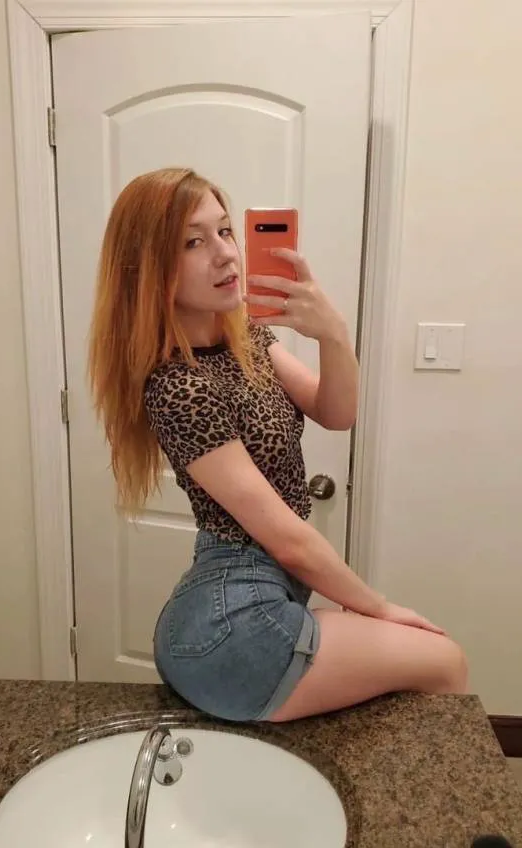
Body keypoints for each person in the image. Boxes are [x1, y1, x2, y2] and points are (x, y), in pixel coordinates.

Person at [88, 167, 468, 723]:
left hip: (255, 596)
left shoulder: (247, 338)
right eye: (193, 242)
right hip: (232, 617)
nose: (225, 254)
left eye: (225, 231)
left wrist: (333, 334)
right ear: (148, 268)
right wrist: (379, 607)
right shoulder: (178, 386)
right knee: (445, 662)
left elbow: (336, 412)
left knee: (426, 666)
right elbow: (287, 540)